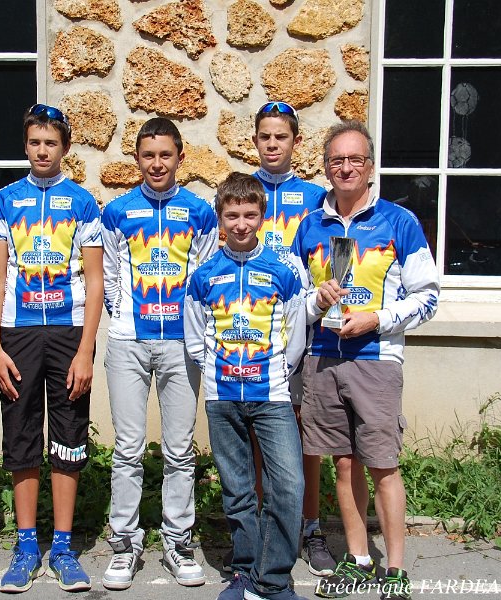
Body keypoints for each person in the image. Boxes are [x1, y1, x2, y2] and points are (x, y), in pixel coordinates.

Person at [289, 121, 439, 600]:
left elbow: (428, 297)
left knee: (383, 465)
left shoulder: (399, 221)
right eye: (337, 160)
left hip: (377, 359)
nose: (346, 167)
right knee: (344, 464)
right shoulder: (310, 226)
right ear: (326, 167)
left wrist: (377, 319)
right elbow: (296, 300)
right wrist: (316, 302)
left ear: (371, 167)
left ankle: (394, 569)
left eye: (355, 159)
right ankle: (357, 560)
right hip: (322, 359)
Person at [0, 103, 103, 593]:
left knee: (68, 438)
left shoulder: (82, 202)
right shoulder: (5, 199)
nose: (41, 151)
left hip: (68, 333)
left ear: (65, 148)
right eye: (34, 142)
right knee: (21, 437)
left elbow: (95, 282)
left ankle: (63, 546)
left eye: (50, 143)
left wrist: (85, 349)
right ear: (25, 145)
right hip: (18, 333)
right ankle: (26, 545)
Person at [100, 117, 219, 590]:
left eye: (165, 155)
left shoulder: (200, 211)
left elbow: (206, 276)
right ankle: (124, 544)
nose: (156, 164)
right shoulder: (118, 211)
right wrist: (125, 318)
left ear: (180, 158)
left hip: (181, 346)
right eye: (148, 155)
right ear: (136, 159)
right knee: (128, 449)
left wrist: (190, 331)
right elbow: (110, 276)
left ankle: (177, 540)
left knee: (179, 450)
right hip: (129, 342)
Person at [184, 172, 308, 600]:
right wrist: (218, 373)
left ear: (262, 216)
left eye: (249, 215)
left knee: (287, 486)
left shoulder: (281, 272)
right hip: (222, 398)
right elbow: (194, 337)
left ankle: (271, 580)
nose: (241, 224)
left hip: (271, 396)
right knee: (238, 491)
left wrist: (276, 373)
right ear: (220, 218)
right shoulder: (203, 276)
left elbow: (295, 334)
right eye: (232, 215)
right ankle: (243, 571)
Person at [252, 100, 336, 577]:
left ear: (296, 142)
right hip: (252, 329)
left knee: (307, 434)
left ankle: (311, 526)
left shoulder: (315, 198)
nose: (272, 144)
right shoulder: (241, 189)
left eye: (280, 136)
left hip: (305, 328)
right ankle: (264, 524)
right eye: (265, 136)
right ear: (255, 140)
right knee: (257, 433)